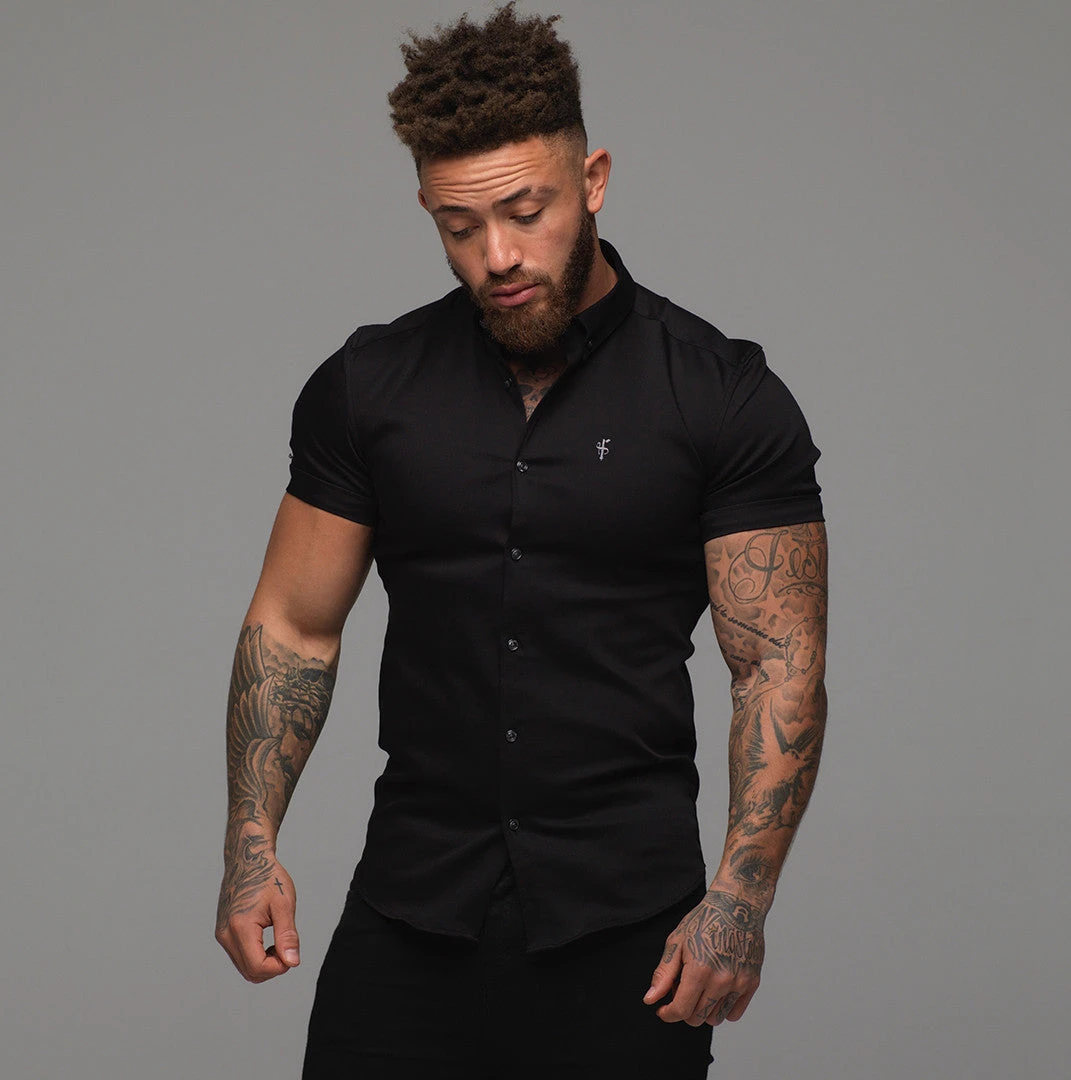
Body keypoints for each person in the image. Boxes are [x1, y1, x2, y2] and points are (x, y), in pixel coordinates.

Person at [214, 5, 827, 1077]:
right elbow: (295, 626)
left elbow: (778, 664)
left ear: (592, 180)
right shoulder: (368, 387)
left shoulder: (723, 396)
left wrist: (739, 901)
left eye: (525, 211)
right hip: (411, 908)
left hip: (629, 931)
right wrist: (249, 845)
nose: (497, 255)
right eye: (460, 227)